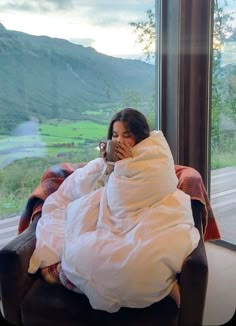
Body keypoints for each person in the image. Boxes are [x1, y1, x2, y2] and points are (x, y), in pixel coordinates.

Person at [28, 108, 200, 313]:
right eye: (115, 135)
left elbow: (132, 197)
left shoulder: (154, 155)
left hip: (150, 214)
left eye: (126, 135)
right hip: (112, 216)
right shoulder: (111, 162)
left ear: (139, 136)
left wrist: (127, 165)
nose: (120, 140)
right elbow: (110, 196)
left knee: (146, 261)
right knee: (83, 253)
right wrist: (110, 166)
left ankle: (164, 286)